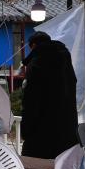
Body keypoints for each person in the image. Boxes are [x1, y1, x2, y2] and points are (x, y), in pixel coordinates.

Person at [20, 31, 78, 159]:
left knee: (37, 167)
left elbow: (32, 102)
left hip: (42, 134)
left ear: (33, 45)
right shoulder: (65, 59)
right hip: (67, 132)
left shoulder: (37, 63)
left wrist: (26, 130)